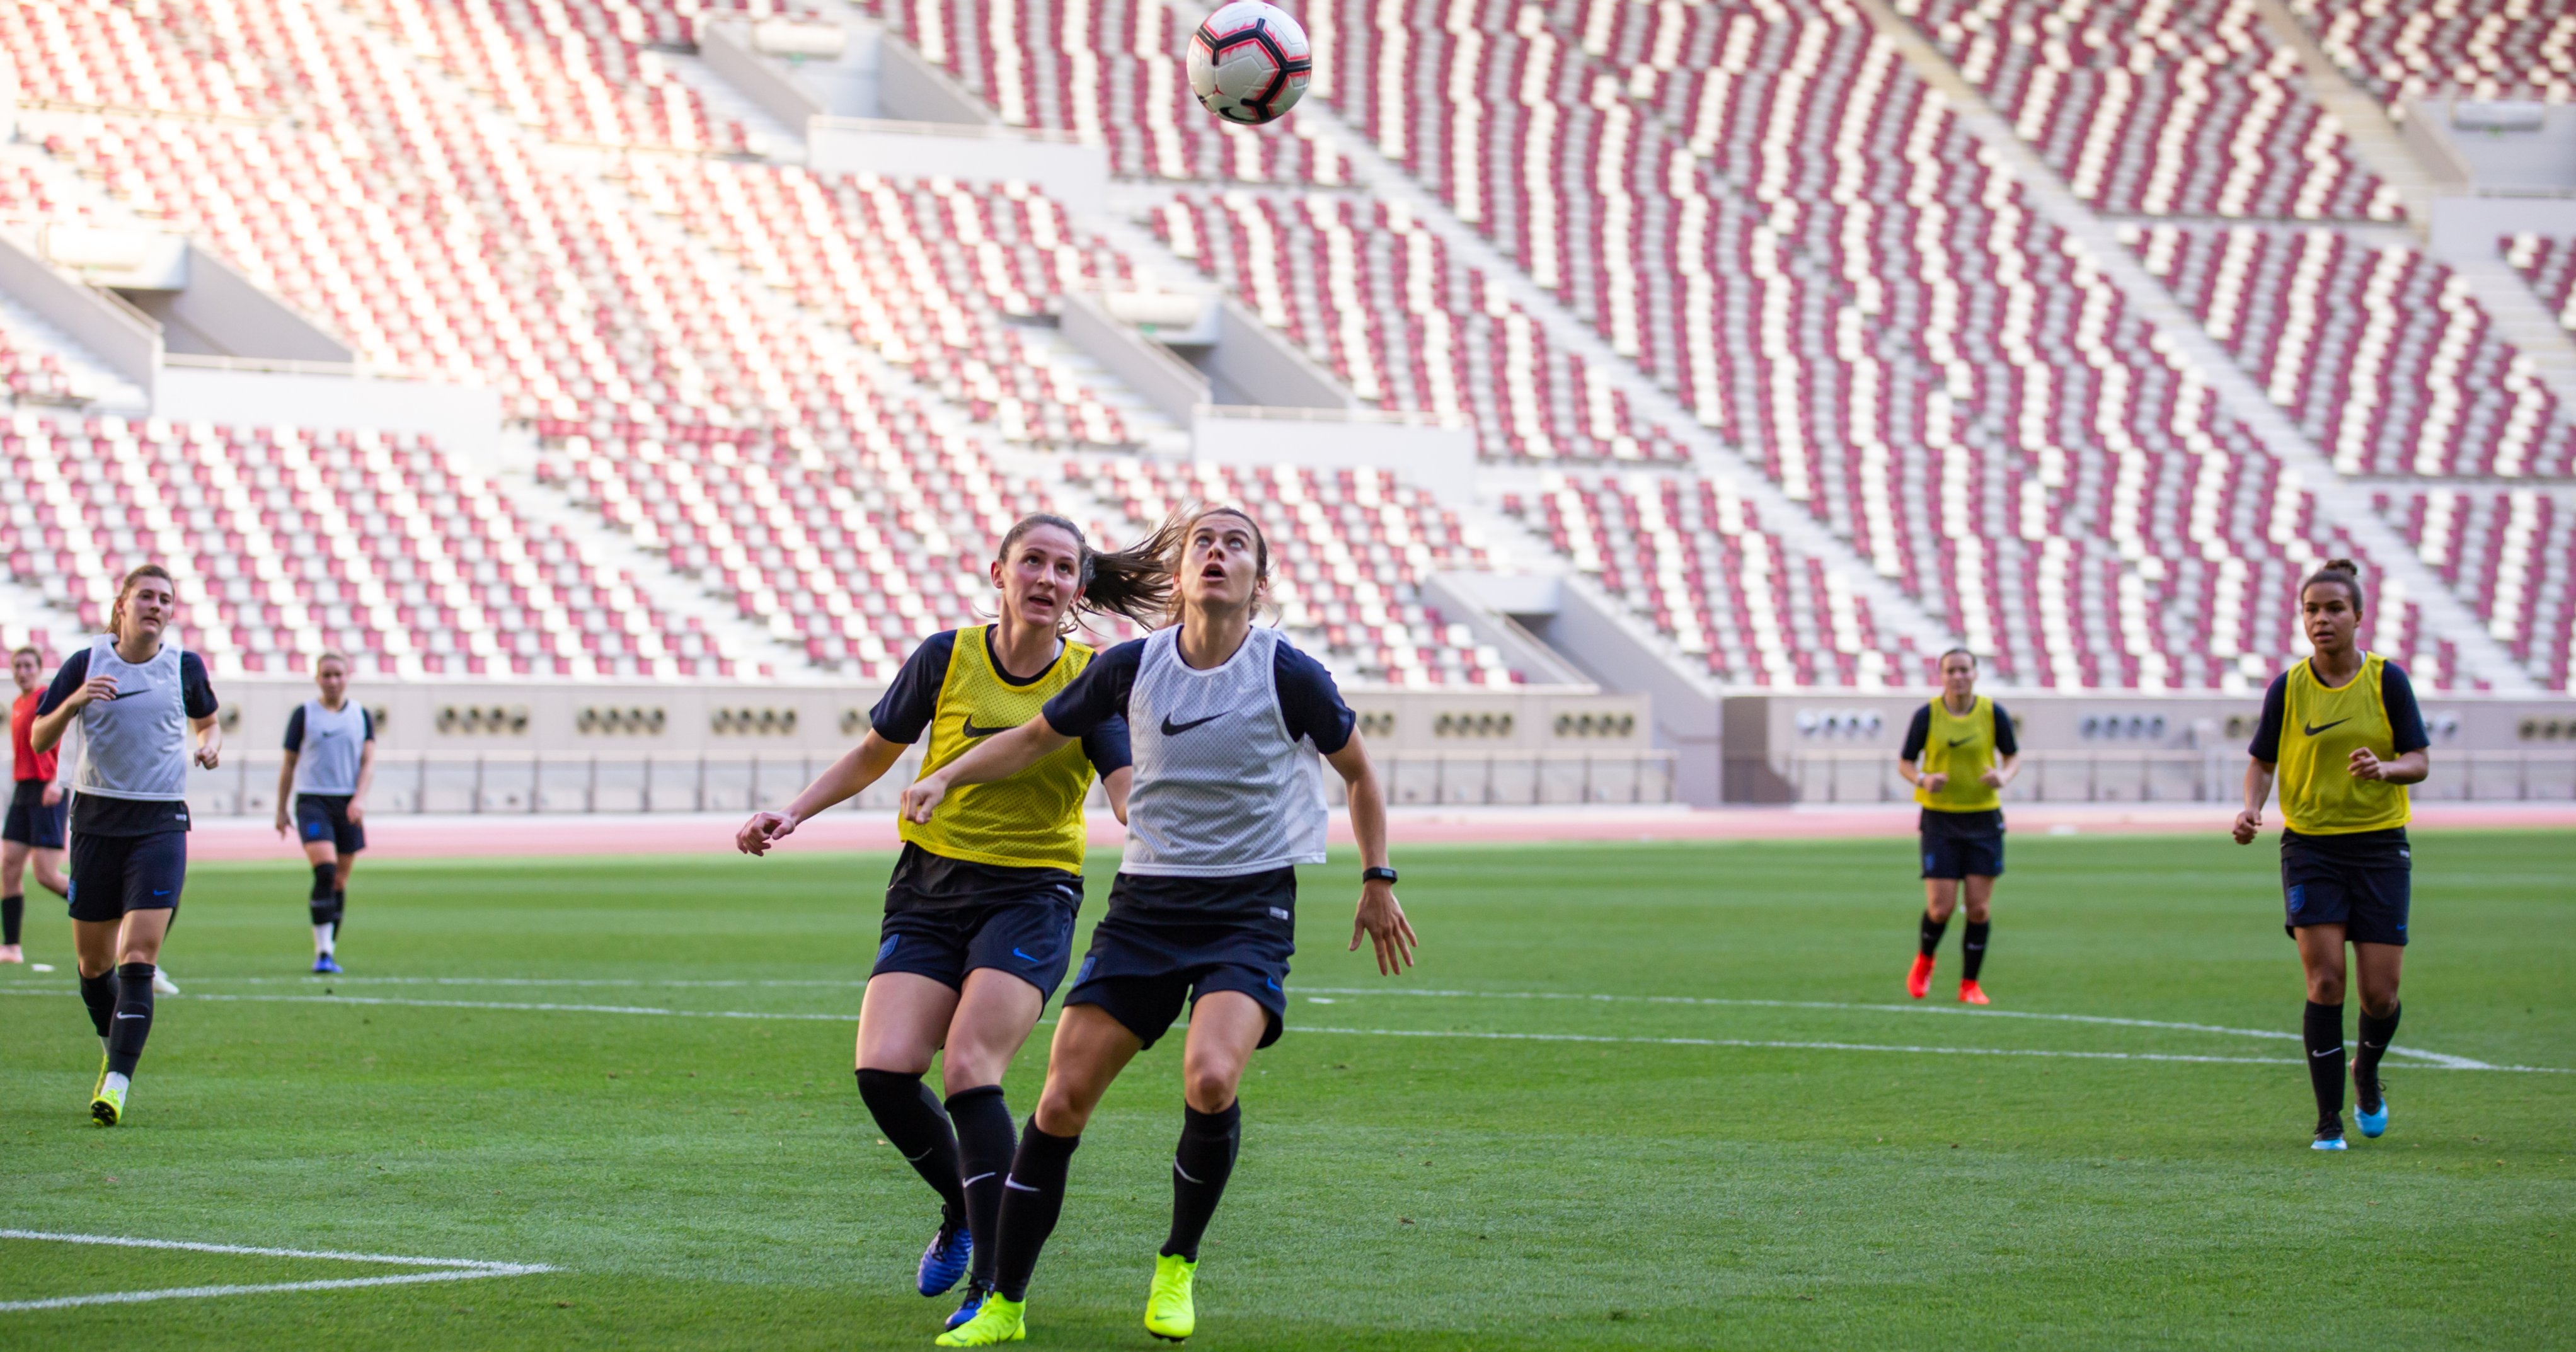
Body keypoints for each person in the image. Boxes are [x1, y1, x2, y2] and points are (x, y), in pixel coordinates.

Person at [911, 504, 1417, 1348]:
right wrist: (946, 779)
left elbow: (1360, 774)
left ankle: (1177, 1263)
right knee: (1063, 1097)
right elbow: (1038, 736)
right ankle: (1004, 1301)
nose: (1218, 554)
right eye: (1203, 545)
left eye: (1237, 545)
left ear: (1259, 579)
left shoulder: (1289, 672)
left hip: (1248, 907)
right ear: (1180, 577)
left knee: (1212, 1076)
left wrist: (1377, 877)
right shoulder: (1130, 668)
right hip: (1146, 906)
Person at [738, 514, 1168, 1331]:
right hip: (930, 886)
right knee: (884, 1070)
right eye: (1031, 560)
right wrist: (793, 811)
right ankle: (966, 1208)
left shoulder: (1092, 677)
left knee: (970, 1064)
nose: (1045, 577)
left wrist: (1156, 821)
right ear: (998, 571)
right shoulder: (946, 656)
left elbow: (1122, 784)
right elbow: (875, 753)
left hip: (1033, 891)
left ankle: (998, 1290)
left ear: (1079, 589)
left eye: (1063, 567)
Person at [2232, 559, 2428, 1151]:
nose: (2322, 619)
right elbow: (2262, 761)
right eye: (2312, 609)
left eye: (2334, 608)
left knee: (2380, 995)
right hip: (2311, 847)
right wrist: (2250, 808)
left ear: (2358, 616)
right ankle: (2328, 1122)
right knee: (2324, 983)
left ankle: (2365, 1074)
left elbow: (2419, 761)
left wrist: (2384, 768)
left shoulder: (2387, 681)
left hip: (2379, 847)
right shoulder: (2287, 687)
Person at [30, 564, 221, 1126]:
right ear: (122, 604)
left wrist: (210, 746)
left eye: (166, 599)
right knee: (93, 965)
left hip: (160, 822)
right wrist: (73, 703)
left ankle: (116, 1082)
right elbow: (39, 736)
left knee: (137, 955)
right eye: (146, 596)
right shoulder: (86, 662)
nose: (156, 606)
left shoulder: (184, 666)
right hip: (94, 821)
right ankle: (113, 1046)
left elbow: (208, 723)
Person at [1898, 649, 2018, 1004]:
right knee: (1941, 908)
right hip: (1940, 820)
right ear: (1942, 676)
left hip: (1983, 818)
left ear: (1976, 674)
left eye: (1964, 670)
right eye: (1951, 671)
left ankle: (1969, 985)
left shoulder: (1992, 713)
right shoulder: (1927, 715)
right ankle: (1925, 960)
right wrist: (1922, 779)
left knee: (1979, 908)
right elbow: (1905, 762)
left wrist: (2004, 776)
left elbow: (2013, 756)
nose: (1958, 676)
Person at [275, 651, 375, 974]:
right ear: (317, 678)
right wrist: (281, 809)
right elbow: (289, 764)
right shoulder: (304, 714)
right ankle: (323, 951)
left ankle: (330, 949)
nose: (332, 681)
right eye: (326, 675)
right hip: (313, 801)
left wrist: (359, 799)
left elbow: (368, 763)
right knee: (326, 871)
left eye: (338, 674)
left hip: (346, 802)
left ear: (348, 676)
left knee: (340, 880)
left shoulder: (361, 715)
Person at [4, 645, 71, 963]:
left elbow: (67, 739)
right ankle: (12, 947)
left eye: (28, 665)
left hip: (48, 788)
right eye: (18, 666)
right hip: (24, 790)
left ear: (40, 668)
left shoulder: (46, 698)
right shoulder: (18, 703)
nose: (22, 671)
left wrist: (57, 781)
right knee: (8, 866)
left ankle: (100, 910)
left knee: (46, 875)